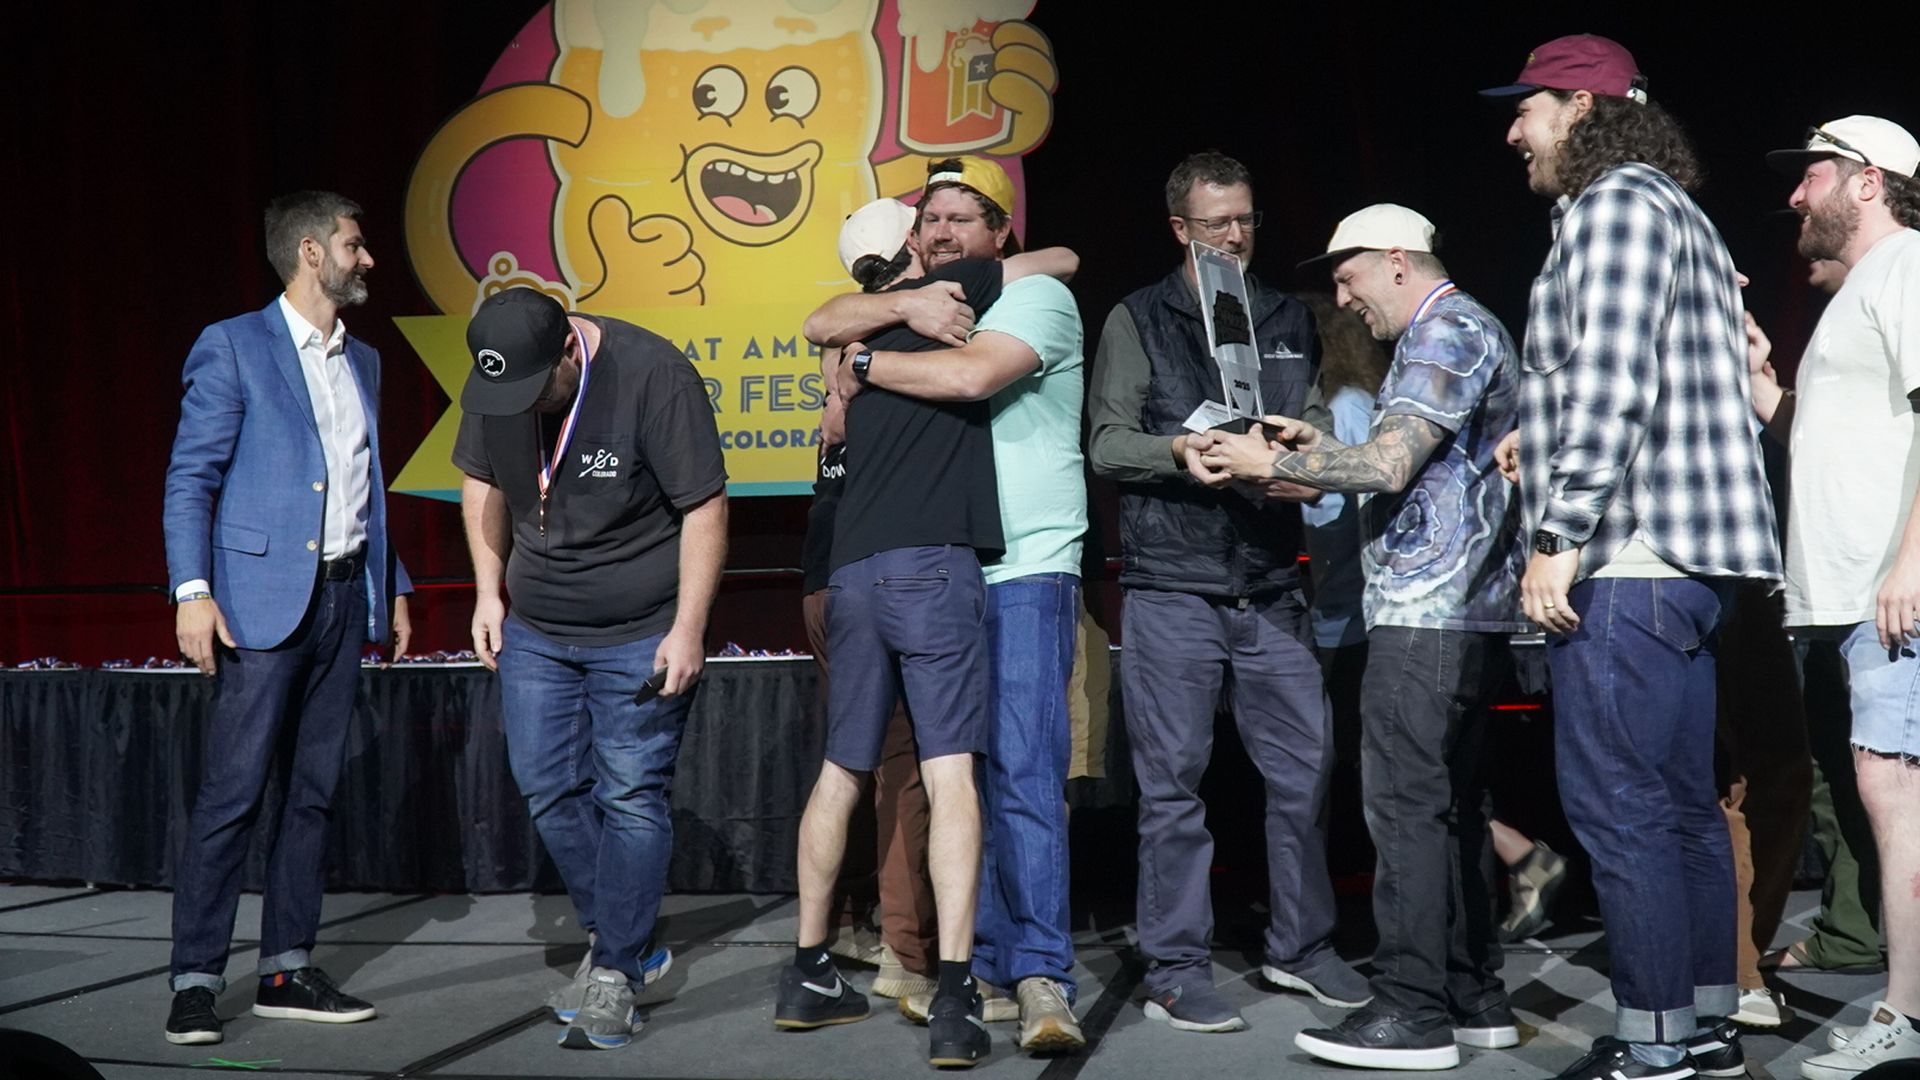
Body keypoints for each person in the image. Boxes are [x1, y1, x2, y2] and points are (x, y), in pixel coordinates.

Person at [1483, 34, 1784, 1080]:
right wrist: (1543, 427)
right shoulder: (1679, 212)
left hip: (1632, 560)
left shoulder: (1611, 208)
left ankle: (1653, 1042)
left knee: (1621, 811)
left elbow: (1611, 383)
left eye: (1524, 109)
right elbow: (1650, 377)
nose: (1513, 131)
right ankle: (1703, 1022)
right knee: (1680, 810)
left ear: (1575, 107)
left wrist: (1558, 540)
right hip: (1694, 568)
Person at [1195, 202, 1525, 1068]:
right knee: (1451, 807)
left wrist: (1275, 463)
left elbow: (1385, 465)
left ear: (1396, 262)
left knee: (1406, 807)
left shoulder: (1443, 332)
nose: (1342, 300)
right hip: (1459, 608)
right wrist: (1313, 444)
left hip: (1429, 612)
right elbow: (1403, 457)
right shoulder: (1453, 330)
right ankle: (1470, 992)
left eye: (1348, 278)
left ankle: (1412, 1010)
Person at [1085, 150, 1369, 1034]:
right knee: (1172, 785)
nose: (1237, 237)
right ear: (1181, 229)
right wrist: (1180, 450)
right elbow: (1105, 444)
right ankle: (1175, 964)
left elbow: (1319, 429)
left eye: (1245, 220)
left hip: (1270, 584)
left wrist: (1303, 456)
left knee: (1304, 771)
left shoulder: (1287, 314)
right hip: (1173, 586)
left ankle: (1302, 947)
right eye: (1217, 224)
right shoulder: (1141, 317)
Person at [813, 159, 1091, 1057]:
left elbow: (973, 379)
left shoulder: (1031, 299)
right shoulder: (919, 304)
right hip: (944, 565)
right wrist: (879, 330)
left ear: (997, 235)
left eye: (963, 217)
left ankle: (1040, 969)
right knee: (946, 776)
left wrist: (862, 360)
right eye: (929, 218)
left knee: (1018, 771)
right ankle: (976, 963)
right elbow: (821, 327)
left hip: (1024, 564)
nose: (941, 231)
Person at [162, 190, 411, 1045]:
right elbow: (191, 477)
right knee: (231, 796)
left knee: (312, 796)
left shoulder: (364, 359)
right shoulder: (233, 346)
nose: (366, 258)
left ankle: (285, 966)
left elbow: (361, 486)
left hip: (345, 597)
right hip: (258, 608)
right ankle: (196, 979)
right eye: (355, 244)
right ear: (312, 252)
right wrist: (192, 592)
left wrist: (396, 581)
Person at [454, 286, 728, 1051]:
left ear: (570, 351)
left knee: (632, 794)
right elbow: (478, 482)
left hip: (639, 627)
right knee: (545, 784)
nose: (522, 405)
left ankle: (612, 969)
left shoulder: (653, 375)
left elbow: (705, 506)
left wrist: (688, 627)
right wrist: (487, 591)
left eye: (537, 390)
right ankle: (626, 936)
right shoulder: (504, 373)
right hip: (538, 626)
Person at [1746, 115, 1920, 1079]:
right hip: (1848, 594)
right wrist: (1759, 377)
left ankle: (1904, 1015)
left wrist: (1912, 562)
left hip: (1887, 594)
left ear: (1868, 182)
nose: (1795, 195)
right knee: (1885, 798)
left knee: (1896, 800)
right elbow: (1829, 439)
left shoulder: (1906, 268)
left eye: (1812, 174)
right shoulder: (1860, 295)